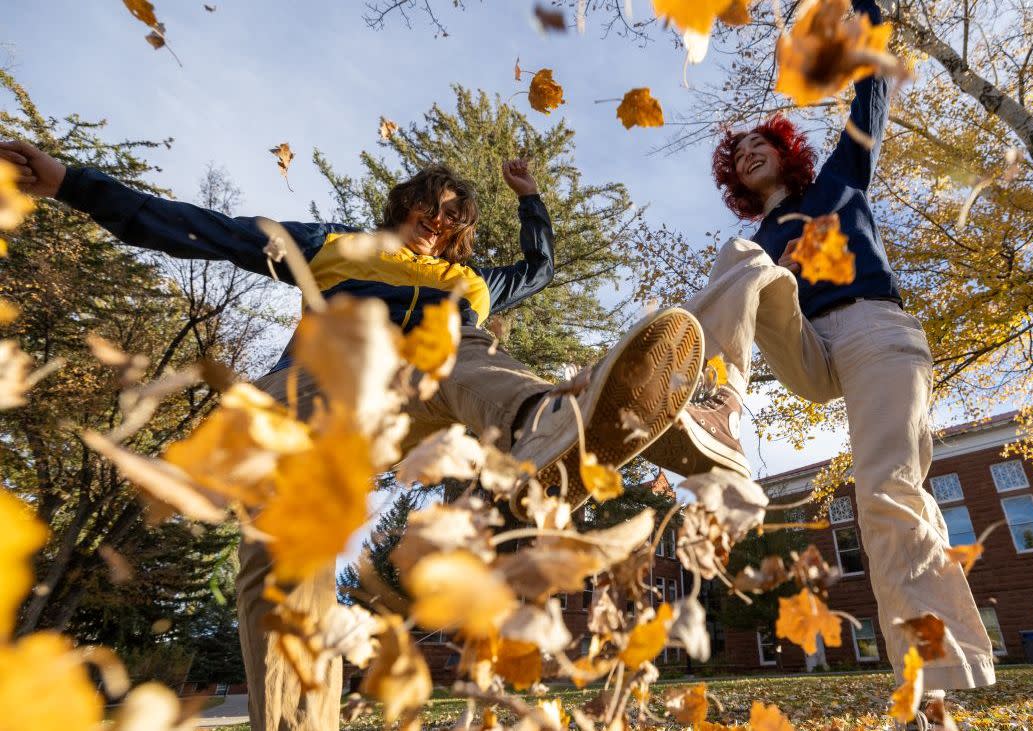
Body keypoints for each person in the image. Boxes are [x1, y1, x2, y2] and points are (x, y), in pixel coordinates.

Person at [1, 139, 710, 731]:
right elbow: (205, 229)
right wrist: (72, 182)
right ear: (403, 207)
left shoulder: (471, 279)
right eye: (428, 209)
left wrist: (530, 199)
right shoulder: (336, 246)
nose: (436, 223)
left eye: (452, 217)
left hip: (428, 394)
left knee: (464, 345)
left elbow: (541, 266)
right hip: (326, 392)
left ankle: (548, 429)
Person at [640, 0, 996, 725]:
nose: (745, 155)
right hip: (808, 347)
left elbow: (872, 92)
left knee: (886, 492)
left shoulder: (840, 178)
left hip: (875, 333)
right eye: (735, 158)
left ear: (785, 149)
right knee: (740, 258)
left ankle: (935, 689)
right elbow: (749, 296)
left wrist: (864, 19)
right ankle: (718, 403)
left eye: (756, 145)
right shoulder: (763, 236)